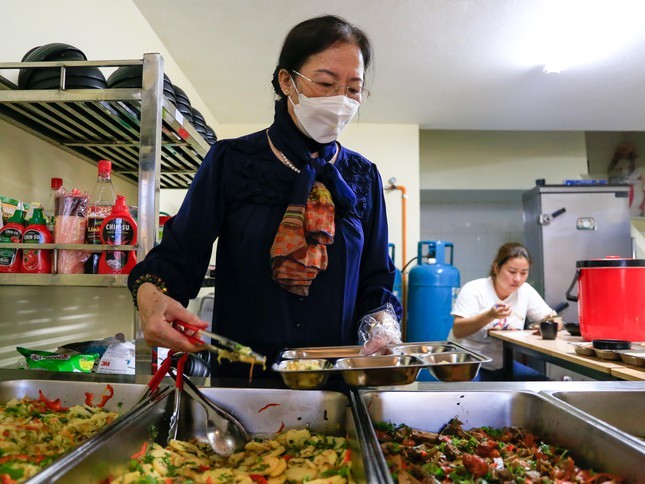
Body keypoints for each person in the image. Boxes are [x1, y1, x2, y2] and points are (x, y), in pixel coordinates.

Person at [128, 15, 402, 380]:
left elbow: (376, 278)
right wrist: (150, 296)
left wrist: (381, 322)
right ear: (287, 81)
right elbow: (181, 253)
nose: (341, 100)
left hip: (336, 381)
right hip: (246, 378)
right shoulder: (232, 161)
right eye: (325, 83)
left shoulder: (363, 177)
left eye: (353, 89)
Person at [448, 242, 559, 381]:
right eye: (512, 272)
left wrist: (545, 325)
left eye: (524, 273)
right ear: (496, 268)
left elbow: (554, 321)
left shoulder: (525, 291)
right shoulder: (474, 289)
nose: (518, 279)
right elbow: (458, 330)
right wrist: (489, 315)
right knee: (476, 400)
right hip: (468, 363)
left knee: (546, 386)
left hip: (502, 364)